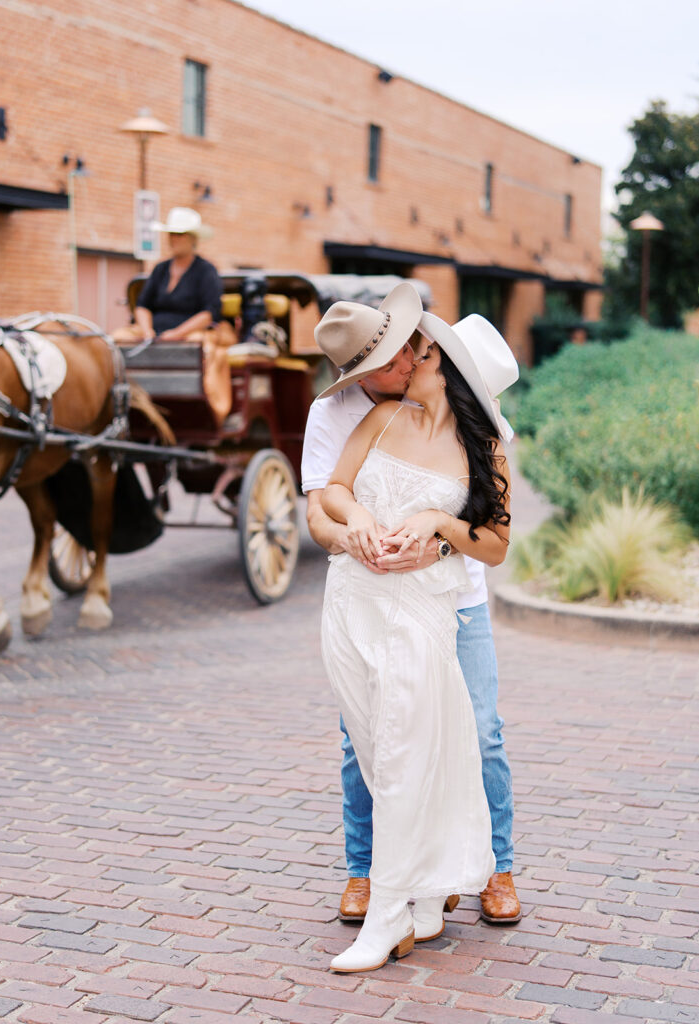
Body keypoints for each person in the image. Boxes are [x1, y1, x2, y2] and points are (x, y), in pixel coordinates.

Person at [301, 283, 521, 943]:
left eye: (411, 354)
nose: (404, 366)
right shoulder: (344, 413)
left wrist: (435, 528)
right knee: (367, 738)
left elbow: (494, 540)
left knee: (477, 732)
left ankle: (493, 868)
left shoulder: (473, 429)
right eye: (393, 362)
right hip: (368, 597)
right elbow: (322, 505)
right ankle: (370, 869)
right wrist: (355, 534)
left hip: (454, 599)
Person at [113, 207, 232, 423]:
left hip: (191, 331)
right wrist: (147, 330)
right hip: (154, 329)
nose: (173, 240)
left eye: (180, 235)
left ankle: (206, 403)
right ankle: (121, 393)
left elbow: (209, 313)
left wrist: (177, 334)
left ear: (192, 239)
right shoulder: (160, 270)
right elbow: (142, 305)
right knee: (118, 338)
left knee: (197, 347)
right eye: (172, 235)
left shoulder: (206, 271)